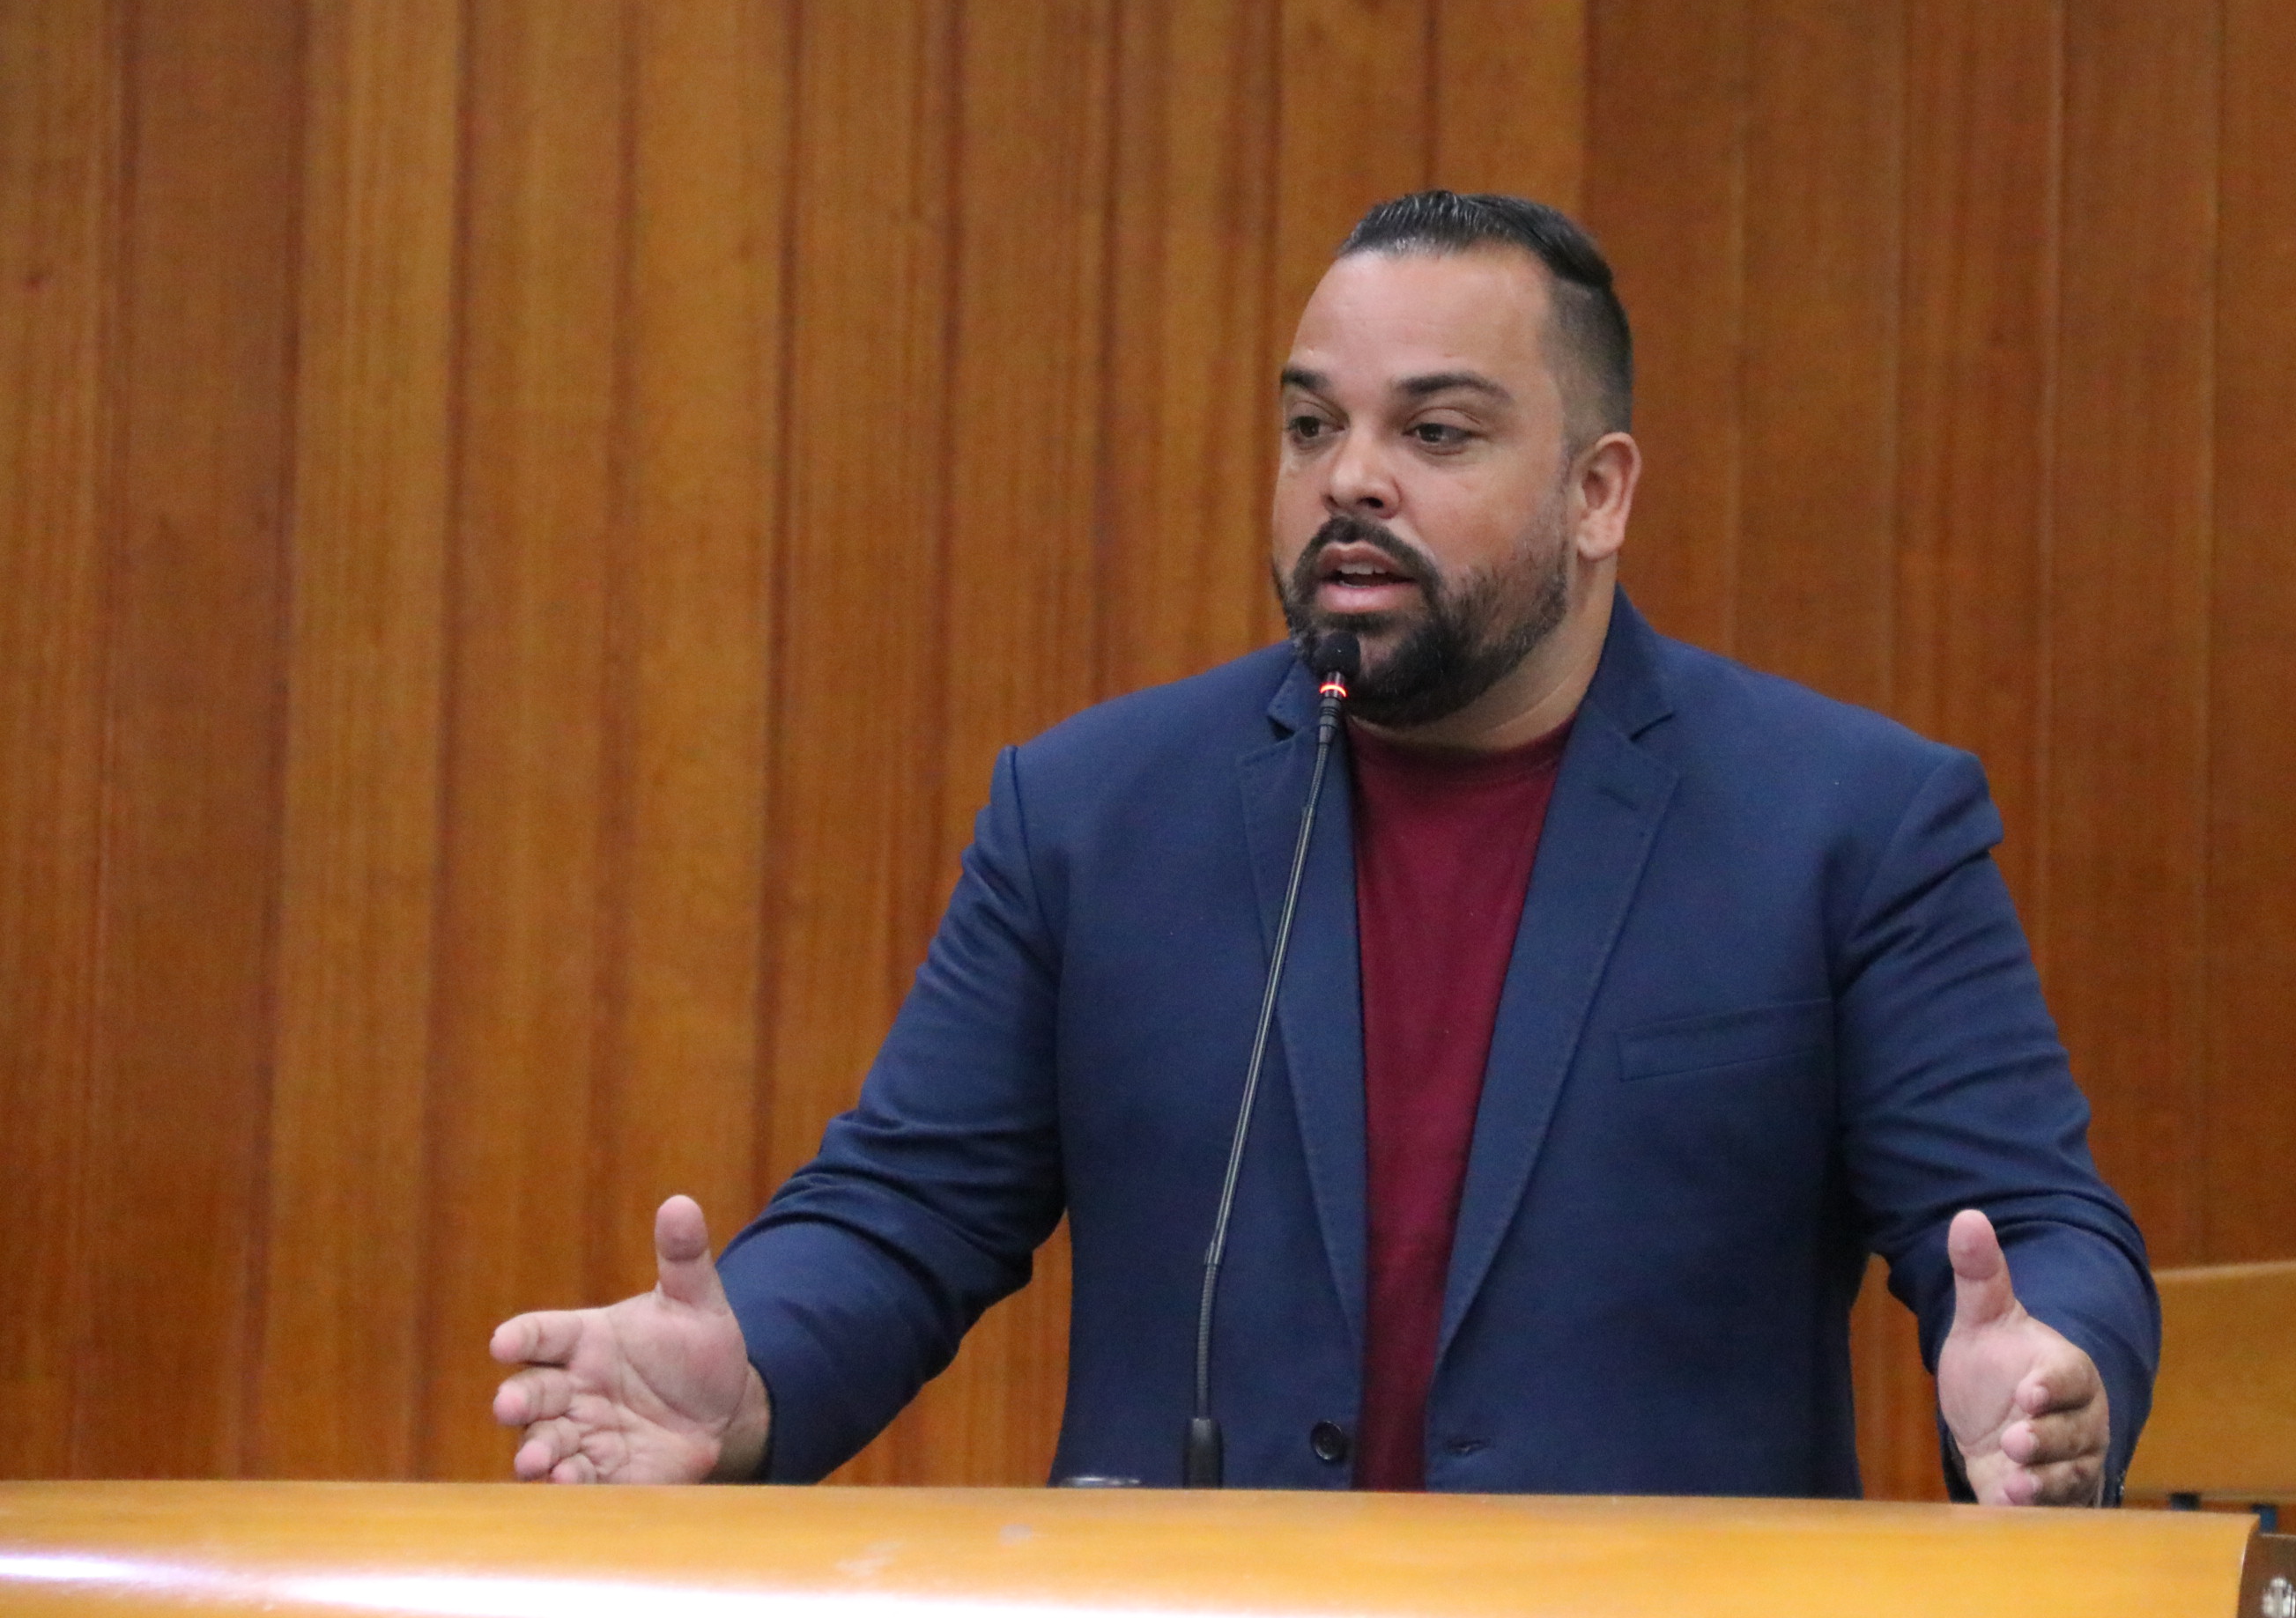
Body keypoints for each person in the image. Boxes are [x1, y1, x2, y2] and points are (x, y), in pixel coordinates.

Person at [492, 191, 2155, 1504]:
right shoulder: (1094, 811)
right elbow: (906, 1209)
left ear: (1598, 493)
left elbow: (2029, 1223)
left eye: (1435, 434)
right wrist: (751, 1374)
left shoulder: (1847, 822)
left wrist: (2043, 1377)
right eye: (1310, 428)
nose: (1350, 480)